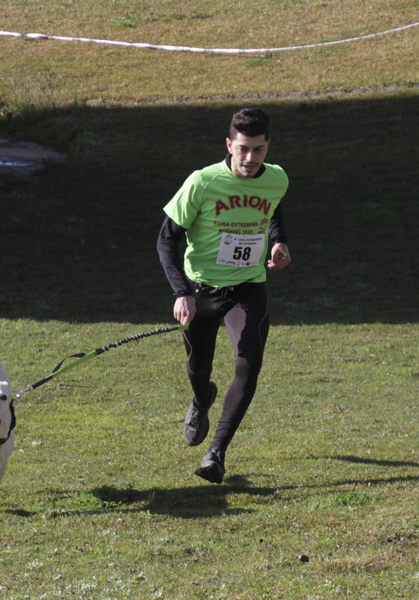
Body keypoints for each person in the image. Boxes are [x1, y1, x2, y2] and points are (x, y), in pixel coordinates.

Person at [157, 107, 291, 484]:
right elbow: (166, 239)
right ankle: (201, 399)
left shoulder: (277, 178)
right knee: (199, 368)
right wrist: (181, 293)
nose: (250, 159)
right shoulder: (202, 182)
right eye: (243, 149)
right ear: (229, 144)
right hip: (201, 292)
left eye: (259, 150)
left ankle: (216, 453)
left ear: (268, 147)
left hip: (247, 290)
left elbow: (273, 208)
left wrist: (280, 242)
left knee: (249, 362)